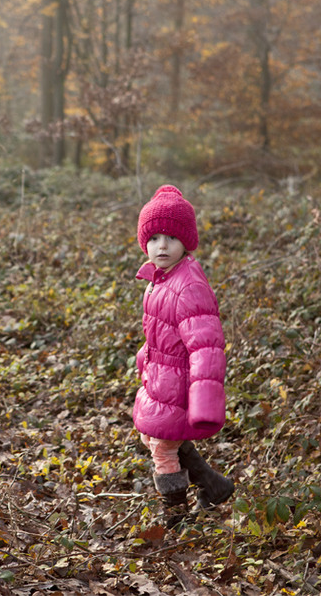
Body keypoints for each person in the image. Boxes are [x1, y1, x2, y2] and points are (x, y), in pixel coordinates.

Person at [133, 185, 234, 527]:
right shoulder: (161, 279)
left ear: (186, 243)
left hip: (180, 385)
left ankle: (174, 516)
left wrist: (206, 405)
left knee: (163, 448)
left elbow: (206, 346)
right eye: (155, 238)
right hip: (162, 379)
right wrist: (145, 358)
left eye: (171, 239)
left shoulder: (188, 286)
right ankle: (213, 485)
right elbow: (160, 333)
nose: (161, 246)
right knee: (155, 437)